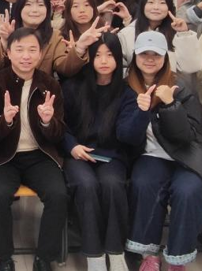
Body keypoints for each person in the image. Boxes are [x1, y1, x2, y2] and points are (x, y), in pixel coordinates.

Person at [116, 31, 202, 271]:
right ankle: (148, 253)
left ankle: (178, 258)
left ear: (165, 57)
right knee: (144, 184)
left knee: (187, 191)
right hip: (151, 155)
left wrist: (170, 104)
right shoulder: (125, 87)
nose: (150, 59)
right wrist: (140, 111)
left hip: (189, 155)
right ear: (135, 56)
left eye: (156, 54)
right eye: (144, 54)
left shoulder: (180, 85)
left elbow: (185, 137)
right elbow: (127, 137)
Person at [0, 28, 68, 271]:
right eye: (19, 50)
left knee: (58, 194)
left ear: (41, 54)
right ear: (8, 53)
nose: (26, 56)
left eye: (32, 50)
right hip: (3, 158)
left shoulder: (50, 85)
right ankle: (4, 258)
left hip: (40, 156)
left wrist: (47, 122)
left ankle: (44, 258)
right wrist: (6, 122)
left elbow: (59, 135)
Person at [61, 33, 134, 271]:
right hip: (78, 154)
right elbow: (60, 125)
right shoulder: (73, 87)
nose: (103, 61)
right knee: (87, 185)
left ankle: (115, 251)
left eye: (109, 55)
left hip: (111, 156)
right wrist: (72, 146)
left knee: (113, 184)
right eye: (98, 55)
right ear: (90, 58)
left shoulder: (127, 92)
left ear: (118, 59)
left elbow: (128, 135)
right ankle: (94, 255)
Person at [0, 0, 92, 78]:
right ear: (19, 8)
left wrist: (80, 48)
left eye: (40, 5)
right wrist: (6, 41)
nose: (34, 10)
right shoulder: (8, 31)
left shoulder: (54, 36)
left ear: (47, 9)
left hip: (42, 88)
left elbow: (64, 68)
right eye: (28, 4)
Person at [118, 0, 202, 74]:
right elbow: (119, 69)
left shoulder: (177, 32)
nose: (156, 7)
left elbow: (192, 67)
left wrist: (184, 33)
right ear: (142, 5)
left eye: (162, 3)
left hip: (171, 82)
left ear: (169, 6)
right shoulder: (126, 34)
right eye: (150, 2)